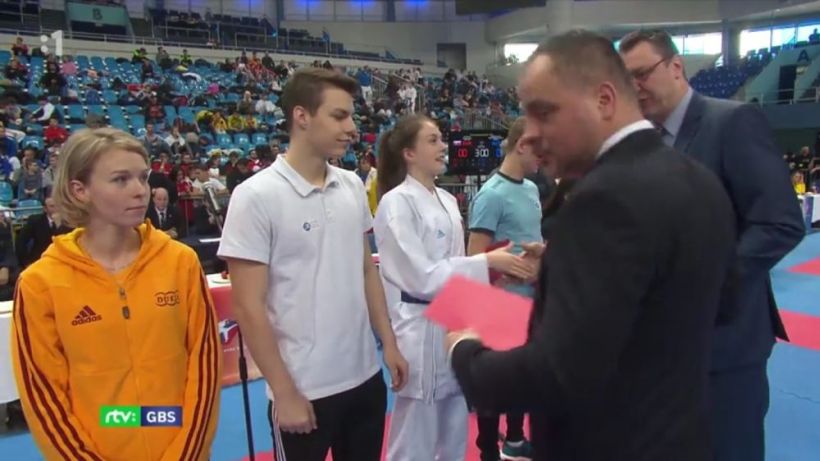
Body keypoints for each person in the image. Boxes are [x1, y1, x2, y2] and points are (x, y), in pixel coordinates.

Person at [447, 30, 737, 461]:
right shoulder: (700, 180)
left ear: (604, 100)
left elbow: (554, 375)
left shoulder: (602, 199)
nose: (531, 134)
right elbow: (721, 303)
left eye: (544, 113)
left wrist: (465, 353)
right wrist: (569, 267)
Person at [618, 30, 805, 461]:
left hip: (725, 342)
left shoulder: (732, 122)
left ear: (676, 67)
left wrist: (703, 280)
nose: (636, 87)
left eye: (642, 74)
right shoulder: (641, 143)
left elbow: (779, 222)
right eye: (627, 81)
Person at [218, 68, 408, 461]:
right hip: (304, 389)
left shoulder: (351, 184)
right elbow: (248, 307)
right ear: (302, 116)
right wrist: (284, 391)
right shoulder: (255, 196)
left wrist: (388, 343)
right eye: (339, 116)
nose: (352, 128)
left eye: (351, 116)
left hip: (365, 378)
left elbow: (366, 271)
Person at [10, 128, 221, 460]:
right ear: (80, 190)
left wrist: (185, 454)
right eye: (121, 179)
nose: (140, 191)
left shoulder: (180, 262)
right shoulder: (41, 283)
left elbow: (204, 366)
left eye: (142, 177)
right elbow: (44, 397)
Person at [374, 114, 536, 461]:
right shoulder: (397, 203)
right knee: (415, 441)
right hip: (418, 327)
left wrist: (495, 273)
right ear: (409, 153)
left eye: (441, 139)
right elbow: (419, 277)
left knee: (453, 436)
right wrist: (486, 263)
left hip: (453, 326)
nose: (443, 146)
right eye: (432, 140)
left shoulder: (447, 201)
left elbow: (457, 268)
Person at [466, 116, 540, 461]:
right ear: (522, 146)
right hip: (498, 304)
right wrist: (506, 270)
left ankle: (514, 438)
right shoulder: (491, 195)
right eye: (539, 151)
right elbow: (473, 258)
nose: (544, 158)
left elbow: (530, 239)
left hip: (530, 300)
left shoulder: (531, 189)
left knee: (521, 376)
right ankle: (487, 451)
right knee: (494, 381)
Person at [15, 196, 72, 268]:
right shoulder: (35, 220)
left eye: (58, 205)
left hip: (62, 260)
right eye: (52, 206)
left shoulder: (68, 221)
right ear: (45, 209)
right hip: (39, 259)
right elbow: (21, 241)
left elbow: (68, 243)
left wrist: (59, 225)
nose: (57, 209)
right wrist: (26, 263)